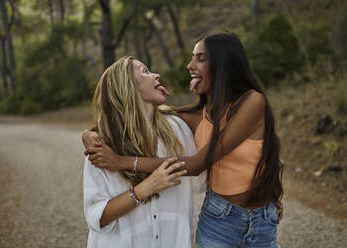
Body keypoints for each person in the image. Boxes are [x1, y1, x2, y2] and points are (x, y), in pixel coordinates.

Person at [84, 32, 283, 247]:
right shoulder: (192, 117)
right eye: (192, 57)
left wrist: (122, 161)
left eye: (200, 58)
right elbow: (121, 119)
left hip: (262, 217)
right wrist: (89, 136)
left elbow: (201, 164)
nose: (189, 65)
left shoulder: (251, 102)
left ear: (223, 64)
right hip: (220, 218)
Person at [83, 56, 205, 248]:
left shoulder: (178, 130)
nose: (157, 75)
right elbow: (97, 217)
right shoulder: (103, 145)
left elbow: (199, 181)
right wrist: (145, 188)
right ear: (127, 86)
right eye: (145, 71)